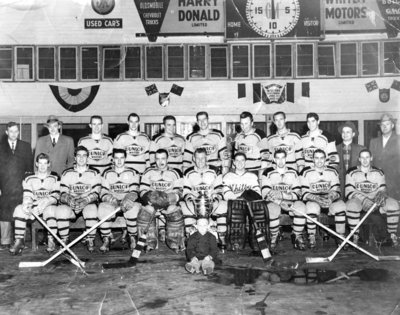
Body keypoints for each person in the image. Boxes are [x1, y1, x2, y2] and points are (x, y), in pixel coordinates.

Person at [346, 149, 400, 247]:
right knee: (351, 205)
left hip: (376, 202)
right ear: (359, 159)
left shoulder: (379, 172)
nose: (365, 160)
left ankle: (392, 235)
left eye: (367, 157)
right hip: (359, 201)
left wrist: (380, 196)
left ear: (371, 158)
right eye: (362, 157)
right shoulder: (351, 172)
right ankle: (355, 235)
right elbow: (349, 191)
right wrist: (364, 200)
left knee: (393, 204)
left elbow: (383, 189)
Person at [9, 153, 59, 254]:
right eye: (40, 163)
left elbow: (55, 196)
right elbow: (27, 194)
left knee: (50, 210)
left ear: (49, 164)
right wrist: (27, 206)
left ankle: (51, 240)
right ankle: (19, 241)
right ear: (36, 164)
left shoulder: (55, 177)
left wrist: (44, 204)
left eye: (45, 163)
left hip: (49, 205)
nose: (42, 166)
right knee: (19, 209)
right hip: (34, 206)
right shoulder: (29, 177)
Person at [181, 148, 227, 251]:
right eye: (198, 158)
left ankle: (221, 235)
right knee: (184, 206)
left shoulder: (215, 170)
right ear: (193, 158)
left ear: (207, 158)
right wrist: (191, 198)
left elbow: (219, 188)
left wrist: (215, 197)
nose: (200, 161)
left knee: (223, 205)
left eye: (203, 158)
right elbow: (186, 190)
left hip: (211, 201)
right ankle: (190, 235)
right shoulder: (188, 172)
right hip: (195, 202)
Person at [56, 146, 101, 252]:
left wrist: (85, 201)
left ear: (88, 158)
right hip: (72, 205)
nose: (81, 158)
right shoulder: (67, 173)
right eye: (78, 156)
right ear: (75, 158)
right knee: (60, 210)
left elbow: (96, 192)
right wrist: (70, 200)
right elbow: (62, 193)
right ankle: (64, 240)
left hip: (87, 204)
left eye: (84, 156)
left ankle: (90, 239)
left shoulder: (95, 172)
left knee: (92, 209)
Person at [138, 149, 185, 252]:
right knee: (146, 212)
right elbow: (142, 190)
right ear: (154, 160)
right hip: (153, 201)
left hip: (168, 202)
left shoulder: (175, 172)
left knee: (175, 211)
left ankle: (174, 241)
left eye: (163, 158)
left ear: (167, 159)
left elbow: (179, 192)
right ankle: (149, 242)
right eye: (158, 159)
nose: (161, 162)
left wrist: (169, 199)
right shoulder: (148, 172)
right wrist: (149, 198)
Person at [261, 149, 307, 251]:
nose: (280, 161)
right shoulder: (267, 172)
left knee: (301, 207)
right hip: (275, 203)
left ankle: (297, 235)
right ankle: (274, 234)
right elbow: (265, 194)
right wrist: (280, 202)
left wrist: (283, 195)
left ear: (286, 158)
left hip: (290, 202)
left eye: (283, 158)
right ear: (274, 159)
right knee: (271, 209)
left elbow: (298, 194)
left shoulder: (294, 172)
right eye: (278, 158)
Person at [300, 149, 346, 249]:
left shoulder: (332, 171)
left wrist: (330, 198)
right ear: (313, 159)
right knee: (311, 208)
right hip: (314, 200)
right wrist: (317, 199)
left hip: (329, 199)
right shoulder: (306, 171)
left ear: (325, 159)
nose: (319, 161)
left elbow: (337, 190)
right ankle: (311, 236)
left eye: (322, 158)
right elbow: (304, 193)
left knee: (341, 206)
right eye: (316, 158)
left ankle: (341, 236)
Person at [98, 149, 141, 252]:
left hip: (127, 201)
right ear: (113, 159)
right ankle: (106, 238)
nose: (119, 161)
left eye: (122, 158)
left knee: (133, 209)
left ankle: (132, 236)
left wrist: (127, 200)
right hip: (113, 202)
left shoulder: (133, 172)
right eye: (116, 158)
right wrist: (115, 202)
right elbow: (103, 192)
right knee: (102, 209)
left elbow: (134, 191)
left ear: (125, 158)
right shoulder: (107, 173)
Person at [0, 122, 33, 250]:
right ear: (7, 132)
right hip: (5, 186)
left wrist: (28, 187)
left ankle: (20, 241)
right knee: (4, 214)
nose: (14, 134)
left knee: (21, 212)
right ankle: (5, 241)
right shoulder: (1, 147)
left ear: (18, 132)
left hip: (21, 186)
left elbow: (29, 168)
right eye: (11, 131)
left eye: (16, 131)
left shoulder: (25, 146)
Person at [222, 152, 261, 250]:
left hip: (249, 205)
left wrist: (244, 196)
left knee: (259, 208)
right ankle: (237, 240)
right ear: (234, 162)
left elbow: (257, 194)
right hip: (235, 206)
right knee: (235, 207)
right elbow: (226, 194)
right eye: (237, 160)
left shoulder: (252, 176)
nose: (240, 163)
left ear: (245, 162)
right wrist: (241, 196)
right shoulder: (228, 176)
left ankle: (255, 240)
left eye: (242, 160)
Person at [369, 113, 400, 200]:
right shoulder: (373, 142)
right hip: (377, 183)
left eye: (387, 124)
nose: (384, 127)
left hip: (395, 184)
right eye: (382, 124)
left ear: (392, 125)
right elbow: (370, 162)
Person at [234, 111, 269, 177]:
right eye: (242, 124)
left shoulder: (260, 134)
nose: (244, 126)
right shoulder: (239, 136)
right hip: (241, 171)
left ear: (252, 123)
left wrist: (261, 177)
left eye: (246, 123)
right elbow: (236, 155)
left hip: (254, 171)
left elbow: (265, 157)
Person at [336, 121, 366, 198]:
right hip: (339, 188)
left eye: (348, 132)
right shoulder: (334, 149)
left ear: (353, 134)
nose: (345, 134)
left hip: (356, 188)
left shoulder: (361, 149)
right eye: (343, 132)